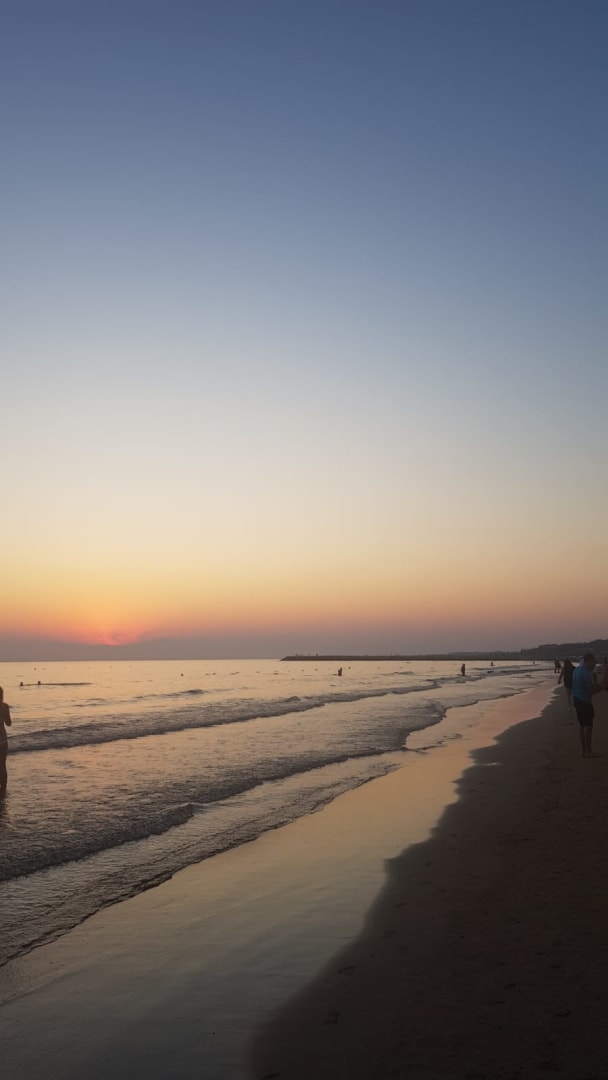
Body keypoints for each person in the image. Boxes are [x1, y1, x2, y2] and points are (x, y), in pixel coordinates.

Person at [571, 653, 601, 757]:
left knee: (582, 725)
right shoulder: (586, 673)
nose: (594, 664)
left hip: (576, 699)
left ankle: (583, 750)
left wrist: (595, 685)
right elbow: (589, 691)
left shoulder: (577, 670)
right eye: (593, 662)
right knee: (588, 726)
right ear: (588, 661)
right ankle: (588, 751)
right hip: (584, 701)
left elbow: (582, 685)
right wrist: (600, 688)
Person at [0, 687, 12, 791]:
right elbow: (9, 723)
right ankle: (3, 788)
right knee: (2, 765)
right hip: (3, 741)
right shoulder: (5, 707)